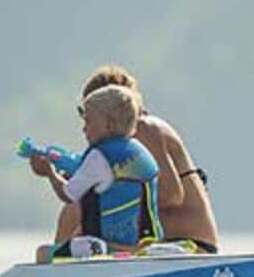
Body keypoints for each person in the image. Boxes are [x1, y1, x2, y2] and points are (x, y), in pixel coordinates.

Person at [35, 66, 220, 253]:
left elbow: (171, 195)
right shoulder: (118, 144)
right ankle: (65, 263)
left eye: (89, 116)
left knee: (75, 210)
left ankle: (61, 264)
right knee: (78, 212)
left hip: (188, 245)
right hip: (154, 244)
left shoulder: (144, 128)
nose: (85, 125)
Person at [31, 84, 159, 257]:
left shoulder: (99, 156)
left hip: (110, 247)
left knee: (43, 253)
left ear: (109, 124)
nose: (84, 128)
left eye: (88, 121)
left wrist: (49, 172)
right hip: (144, 245)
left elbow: (67, 194)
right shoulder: (141, 152)